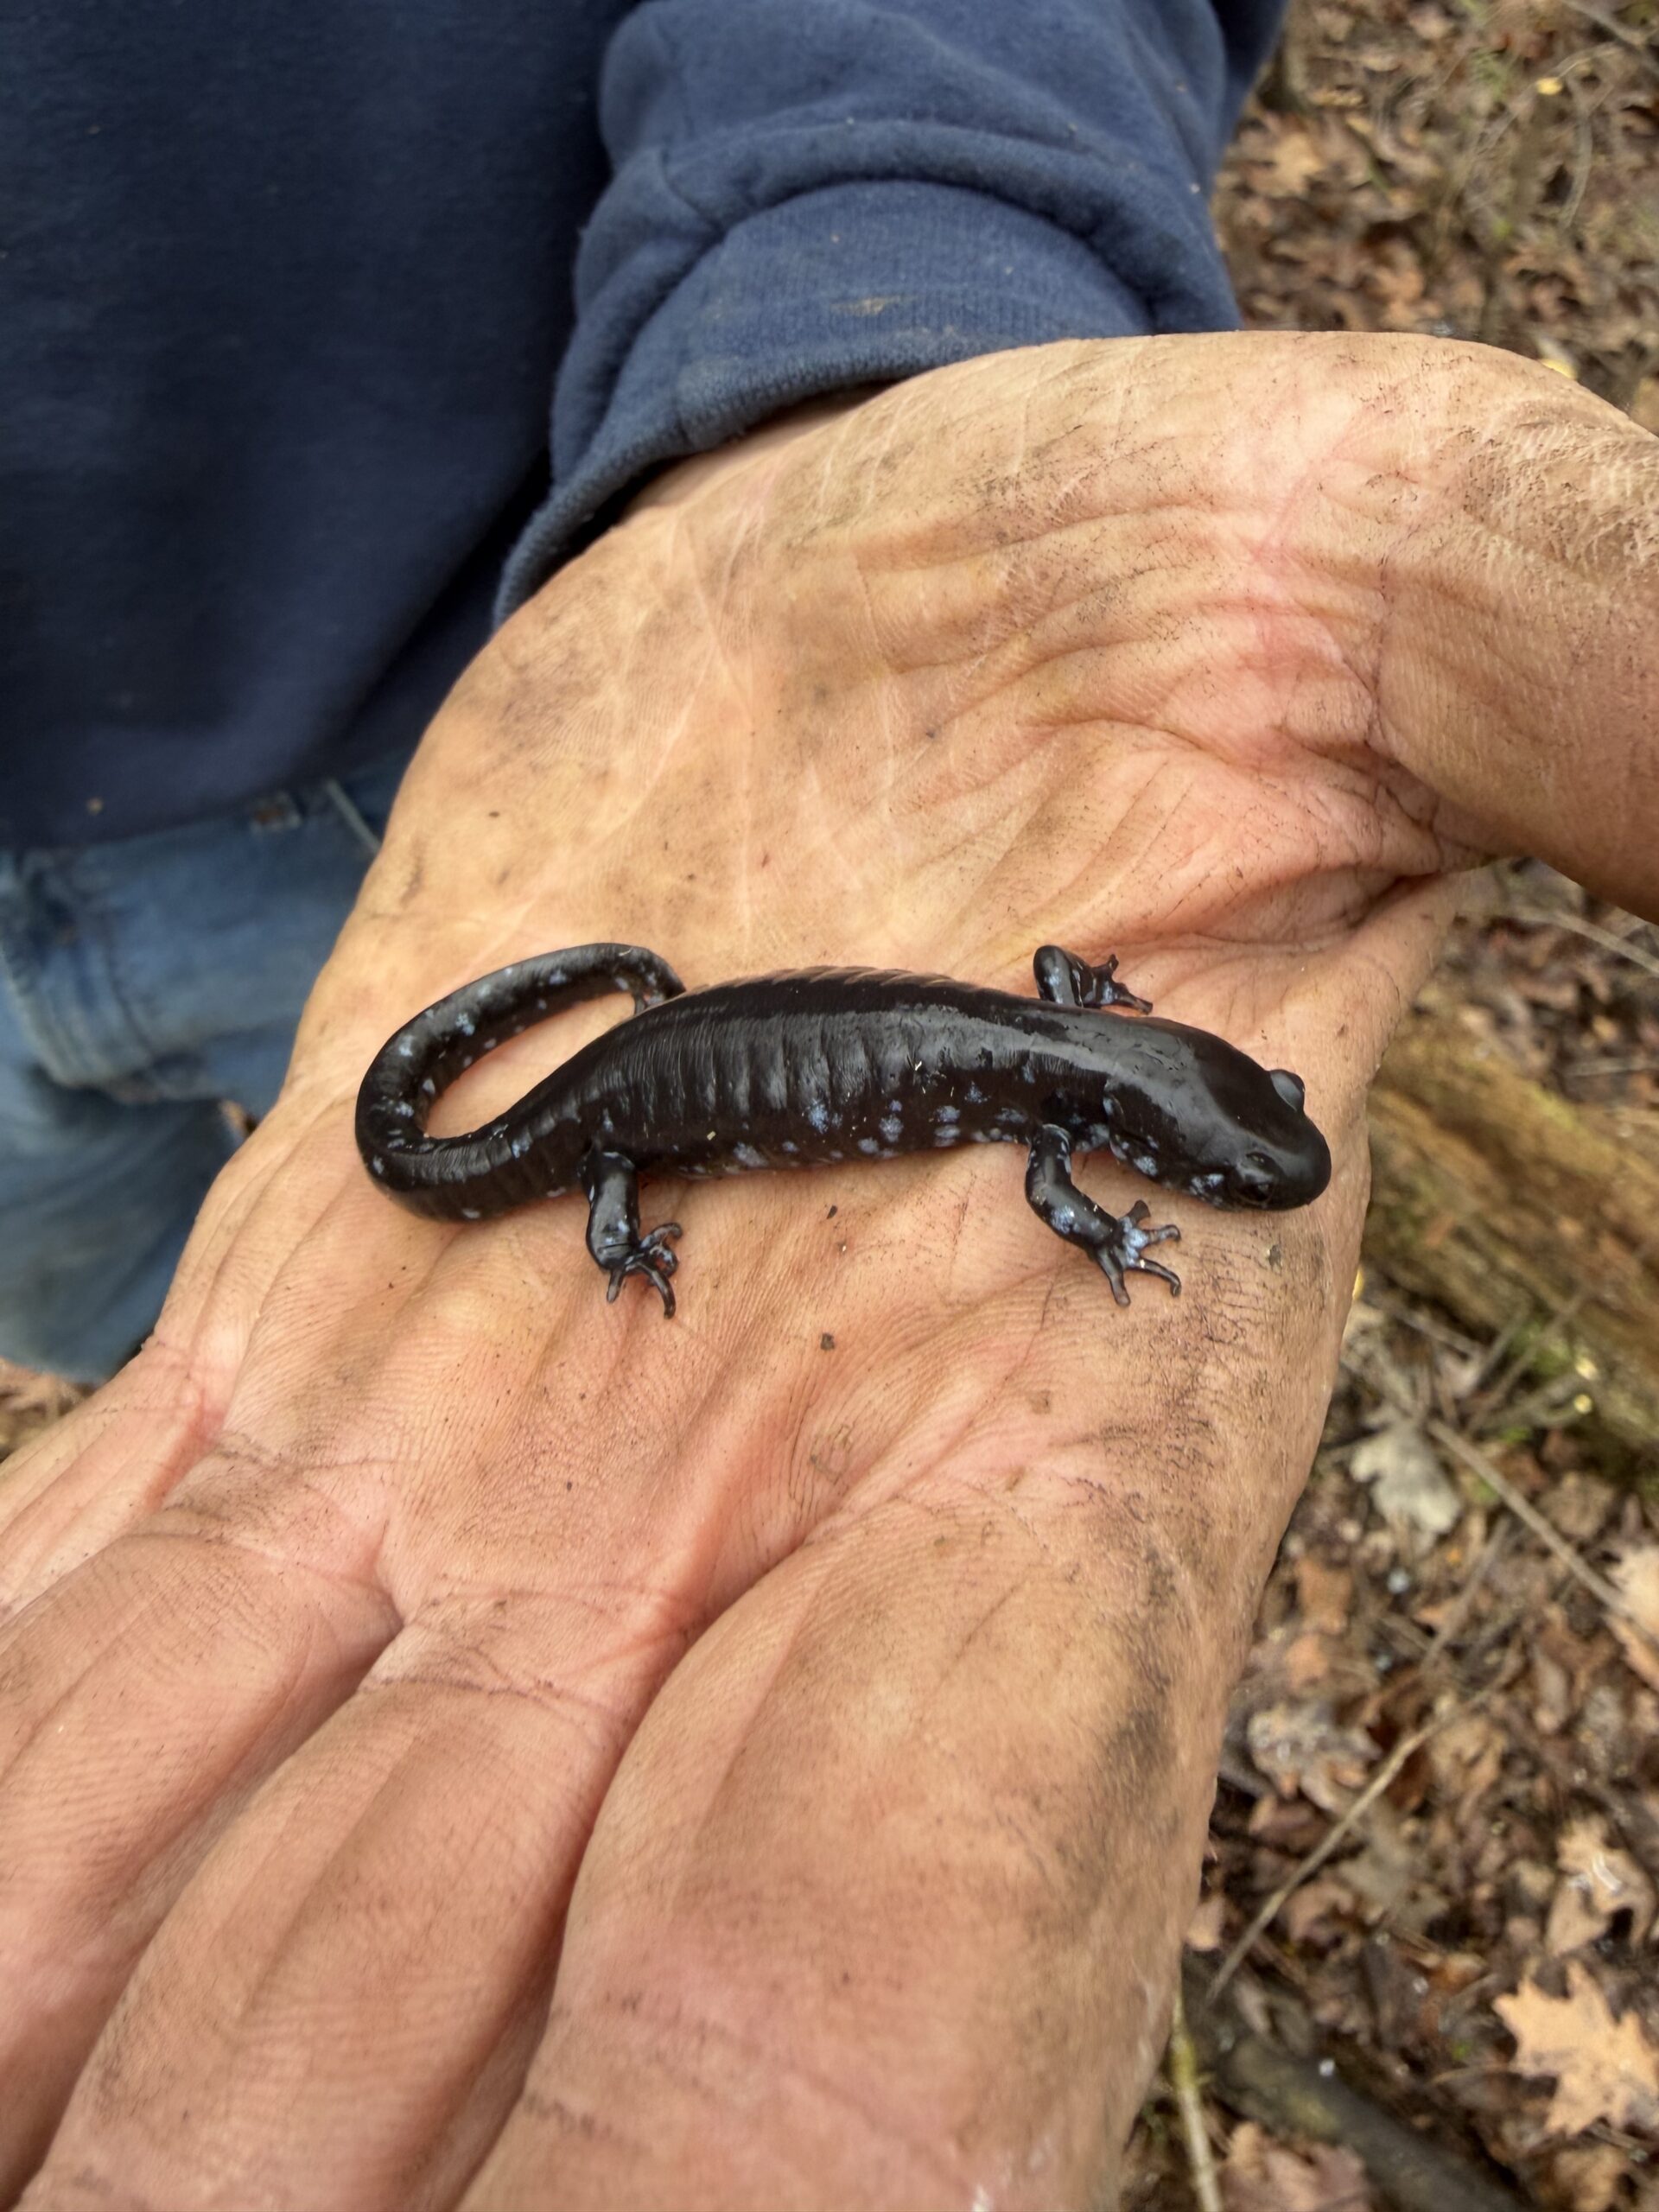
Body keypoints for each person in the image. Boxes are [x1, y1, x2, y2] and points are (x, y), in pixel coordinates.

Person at [2, 9, 1656, 2210]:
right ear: (1158, 1119)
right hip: (521, 1039)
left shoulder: (1072, 1040)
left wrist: (889, 299)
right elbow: (1060, 1134)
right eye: (1210, 1146)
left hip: (442, 787)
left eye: (1217, 1141)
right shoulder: (1069, 1107)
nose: (1200, 1160)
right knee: (192, 1236)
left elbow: (1073, 1021)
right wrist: (643, 1203)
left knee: (334, 1185)